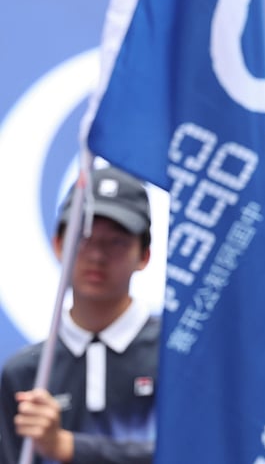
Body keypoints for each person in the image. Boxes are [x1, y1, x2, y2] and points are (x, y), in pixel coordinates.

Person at [0, 166, 157, 464]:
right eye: (83, 237)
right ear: (59, 245)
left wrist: (67, 446)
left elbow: (199, 454)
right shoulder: (25, 374)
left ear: (144, 255)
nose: (97, 255)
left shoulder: (178, 360)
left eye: (117, 241)